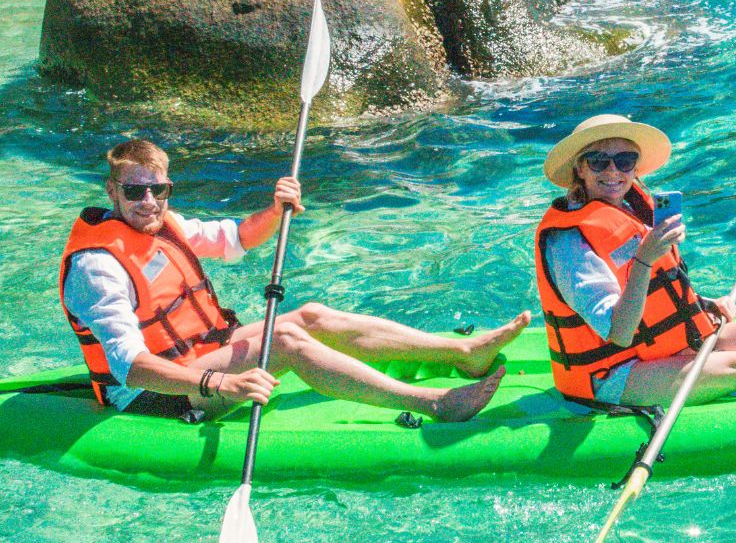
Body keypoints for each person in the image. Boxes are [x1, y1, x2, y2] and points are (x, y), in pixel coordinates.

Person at [61, 139, 530, 422]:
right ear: (112, 191)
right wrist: (218, 385)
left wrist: (275, 208)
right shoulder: (97, 267)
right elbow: (130, 368)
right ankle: (433, 402)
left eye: (157, 189)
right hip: (154, 395)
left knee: (310, 316)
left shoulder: (167, 224)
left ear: (167, 188)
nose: (148, 201)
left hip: (199, 355)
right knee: (283, 339)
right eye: (134, 191)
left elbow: (238, 237)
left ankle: (463, 353)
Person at [534, 113, 736, 410]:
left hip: (657, 347)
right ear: (581, 168)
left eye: (625, 160)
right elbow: (618, 333)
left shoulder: (629, 209)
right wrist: (645, 261)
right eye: (598, 160)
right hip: (611, 374)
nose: (613, 171)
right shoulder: (569, 242)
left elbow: (655, 294)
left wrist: (705, 303)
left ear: (634, 167)